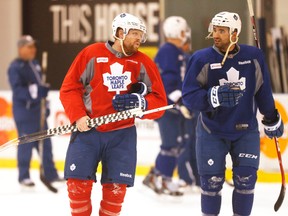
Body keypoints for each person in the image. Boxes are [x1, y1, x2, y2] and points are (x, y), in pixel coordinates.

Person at [59, 12, 167, 216]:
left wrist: (141, 103)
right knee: (77, 187)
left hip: (122, 135)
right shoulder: (91, 53)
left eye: (141, 34)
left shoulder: (143, 62)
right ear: (119, 32)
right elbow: (69, 88)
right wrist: (78, 116)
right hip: (88, 132)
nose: (139, 39)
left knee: (115, 193)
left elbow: (160, 103)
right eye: (134, 33)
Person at [182, 11, 284, 215]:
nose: (216, 35)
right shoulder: (201, 59)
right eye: (215, 30)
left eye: (222, 30)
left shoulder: (253, 57)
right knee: (211, 183)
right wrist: (213, 97)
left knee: (246, 180)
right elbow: (189, 96)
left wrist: (271, 116)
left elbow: (262, 90)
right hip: (212, 131)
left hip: (246, 130)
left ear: (235, 33)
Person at [142, 16, 198, 196]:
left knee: (177, 144)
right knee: (170, 145)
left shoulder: (176, 51)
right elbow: (167, 80)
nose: (185, 34)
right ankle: (163, 178)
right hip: (166, 107)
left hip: (173, 106)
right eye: (182, 31)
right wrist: (179, 100)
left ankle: (156, 175)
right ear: (174, 32)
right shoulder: (168, 50)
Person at [7, 35, 60, 187]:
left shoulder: (35, 64)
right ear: (20, 48)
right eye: (29, 47)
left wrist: (45, 103)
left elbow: (39, 90)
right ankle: (24, 176)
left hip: (38, 112)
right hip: (25, 113)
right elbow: (19, 91)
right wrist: (37, 90)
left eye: (34, 46)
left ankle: (50, 174)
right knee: (26, 145)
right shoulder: (15, 67)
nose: (33, 50)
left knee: (46, 144)